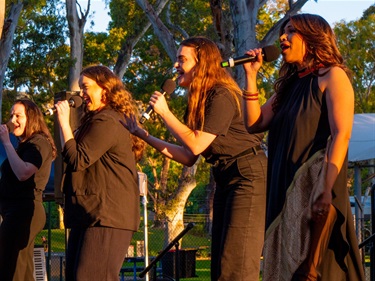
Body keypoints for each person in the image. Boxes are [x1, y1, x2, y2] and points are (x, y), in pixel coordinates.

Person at [123, 36, 267, 281]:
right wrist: (143, 134)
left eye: (182, 59)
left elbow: (197, 142)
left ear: (202, 64)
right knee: (221, 266)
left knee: (236, 265)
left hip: (248, 174)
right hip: (225, 175)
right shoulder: (197, 100)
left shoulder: (220, 94)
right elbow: (189, 156)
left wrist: (165, 113)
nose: (176, 65)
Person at [242, 14, 365, 280]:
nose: (283, 37)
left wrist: (325, 186)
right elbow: (254, 122)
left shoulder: (332, 75)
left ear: (312, 37)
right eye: (283, 32)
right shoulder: (288, 87)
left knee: (315, 270)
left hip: (314, 187)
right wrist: (250, 76)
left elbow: (341, 134)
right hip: (282, 187)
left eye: (291, 31)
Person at [54, 65, 145, 281]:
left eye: (86, 88)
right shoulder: (95, 120)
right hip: (90, 214)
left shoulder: (107, 121)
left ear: (104, 89)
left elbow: (78, 159)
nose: (82, 95)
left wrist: (64, 123)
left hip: (107, 216)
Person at [0, 99, 56, 281]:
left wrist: (7, 143)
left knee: (10, 267)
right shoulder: (23, 145)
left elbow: (24, 172)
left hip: (23, 212)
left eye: (18, 116)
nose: (12, 120)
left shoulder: (38, 143)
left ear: (31, 118)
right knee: (21, 268)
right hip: (13, 211)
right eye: (10, 116)